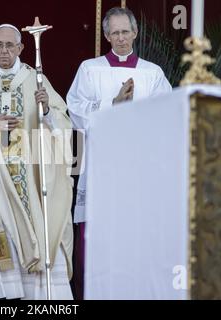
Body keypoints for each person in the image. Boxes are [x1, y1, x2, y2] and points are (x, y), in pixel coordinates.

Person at [0, 24, 73, 300]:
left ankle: (42, 299)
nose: (5, 50)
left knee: (40, 229)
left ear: (21, 48)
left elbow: (62, 122)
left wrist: (45, 110)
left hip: (32, 177)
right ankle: (6, 300)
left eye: (10, 45)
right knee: (1, 235)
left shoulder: (37, 79)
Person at [67, 7, 172, 300]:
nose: (121, 38)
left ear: (135, 33)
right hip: (101, 165)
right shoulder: (89, 69)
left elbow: (165, 115)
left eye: (126, 32)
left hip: (139, 167)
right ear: (106, 35)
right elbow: (75, 109)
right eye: (115, 32)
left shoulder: (152, 74)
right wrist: (112, 105)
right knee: (96, 237)